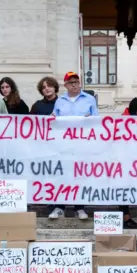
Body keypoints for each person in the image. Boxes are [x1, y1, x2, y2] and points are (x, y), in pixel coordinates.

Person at [48, 71, 98, 220]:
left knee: (80, 175)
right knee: (61, 174)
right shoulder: (60, 101)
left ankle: (79, 207)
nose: (75, 84)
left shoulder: (89, 99)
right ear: (66, 85)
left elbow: (97, 120)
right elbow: (54, 119)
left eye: (76, 81)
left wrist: (91, 119)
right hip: (63, 145)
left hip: (82, 145)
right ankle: (60, 207)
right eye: (71, 82)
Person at [117, 97, 137, 229]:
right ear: (136, 111)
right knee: (123, 189)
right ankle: (126, 218)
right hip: (125, 161)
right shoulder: (123, 121)